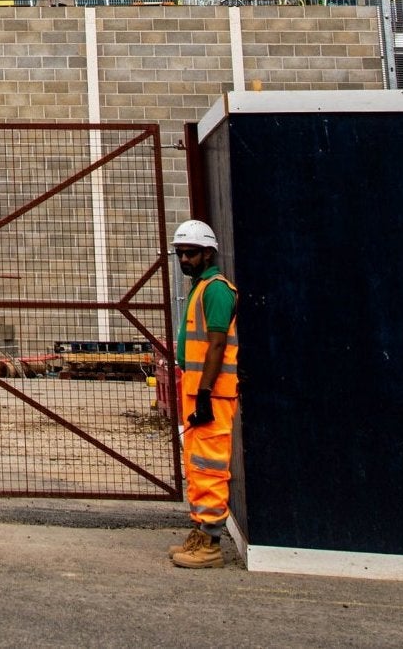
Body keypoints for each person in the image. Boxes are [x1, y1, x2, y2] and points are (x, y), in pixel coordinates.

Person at [171, 218, 237, 569]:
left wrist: (206, 394)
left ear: (208, 254)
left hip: (212, 393)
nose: (185, 259)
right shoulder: (200, 288)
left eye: (191, 253)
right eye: (181, 253)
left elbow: (216, 346)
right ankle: (200, 531)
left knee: (210, 466)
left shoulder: (215, 290)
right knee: (197, 464)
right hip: (198, 391)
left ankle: (210, 543)